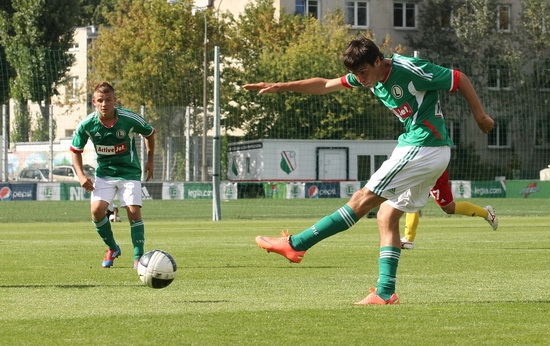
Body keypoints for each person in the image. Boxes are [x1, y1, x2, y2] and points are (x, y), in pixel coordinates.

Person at [244, 36, 495, 305]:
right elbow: (325, 85)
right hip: (427, 150)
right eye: (356, 74)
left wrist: (480, 116)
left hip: (424, 146)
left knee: (361, 200)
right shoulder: (369, 76)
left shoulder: (409, 69)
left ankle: (297, 244)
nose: (360, 79)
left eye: (363, 72)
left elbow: (459, 79)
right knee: (386, 216)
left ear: (378, 61)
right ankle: (385, 292)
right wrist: (282, 87)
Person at [71, 82, 155, 269]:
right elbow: (75, 150)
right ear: (94, 102)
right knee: (96, 211)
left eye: (108, 100)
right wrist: (81, 175)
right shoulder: (87, 124)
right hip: (104, 174)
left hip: (129, 172)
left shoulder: (128, 119)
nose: (104, 104)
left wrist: (150, 160)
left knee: (133, 211)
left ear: (114, 100)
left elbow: (149, 133)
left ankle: (138, 258)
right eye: (100, 100)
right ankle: (112, 248)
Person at [401, 169, 498, 249]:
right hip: (419, 170)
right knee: (412, 202)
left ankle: (486, 213)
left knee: (449, 208)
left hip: (434, 171)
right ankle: (409, 239)